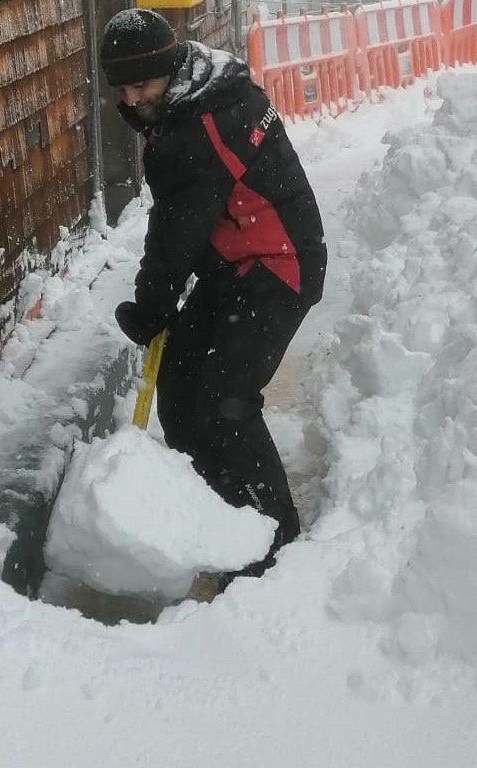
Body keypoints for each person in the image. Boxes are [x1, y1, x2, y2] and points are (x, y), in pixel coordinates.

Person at [99, 8, 326, 583]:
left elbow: (177, 228)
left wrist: (151, 307)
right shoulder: (198, 93)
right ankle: (213, 514)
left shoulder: (199, 124)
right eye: (121, 87)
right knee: (179, 379)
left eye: (142, 84)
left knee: (225, 396)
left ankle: (274, 545)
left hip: (279, 266)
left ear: (169, 70)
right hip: (235, 266)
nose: (132, 97)